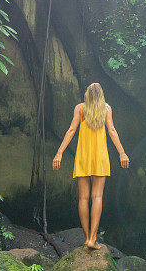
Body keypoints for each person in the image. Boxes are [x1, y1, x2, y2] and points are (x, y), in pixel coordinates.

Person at [52, 82, 129, 249]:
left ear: (87, 94)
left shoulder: (80, 109)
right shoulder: (106, 109)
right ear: (101, 95)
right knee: (97, 197)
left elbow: (71, 130)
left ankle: (86, 238)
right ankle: (93, 239)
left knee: (83, 198)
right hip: (100, 157)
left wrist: (59, 153)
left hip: (83, 157)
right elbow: (112, 131)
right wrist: (122, 153)